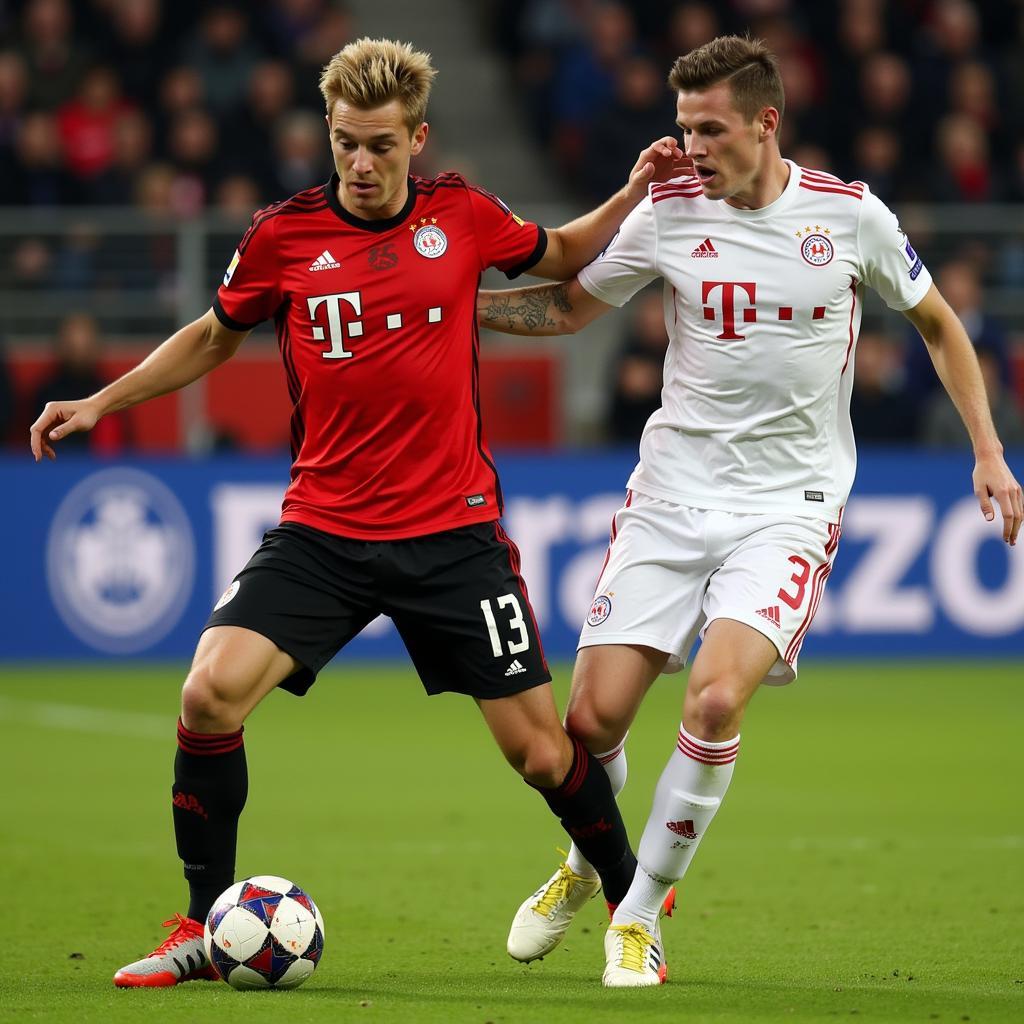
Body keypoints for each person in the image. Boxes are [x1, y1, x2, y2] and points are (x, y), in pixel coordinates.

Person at [29, 37, 687, 989]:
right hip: (324, 532)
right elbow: (215, 337)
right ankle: (202, 929)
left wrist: (628, 194)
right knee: (207, 696)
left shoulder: (461, 214)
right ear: (328, 135)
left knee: (545, 755)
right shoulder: (283, 236)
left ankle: (633, 902)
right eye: (346, 143)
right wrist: (102, 400)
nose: (363, 163)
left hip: (453, 535)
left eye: (381, 144)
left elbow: (563, 252)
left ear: (416, 137)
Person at [478, 35, 1023, 988]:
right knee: (590, 723)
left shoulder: (848, 217)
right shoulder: (668, 210)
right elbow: (565, 310)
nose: (692, 147)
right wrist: (453, 302)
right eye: (684, 127)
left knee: (718, 696)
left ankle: (639, 912)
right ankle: (588, 864)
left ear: (766, 123)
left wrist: (987, 448)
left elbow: (938, 322)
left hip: (788, 507)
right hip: (671, 496)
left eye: (711, 130)